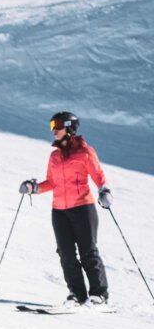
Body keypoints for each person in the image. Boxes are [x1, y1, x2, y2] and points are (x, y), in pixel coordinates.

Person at [19, 111, 112, 307]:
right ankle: (77, 294)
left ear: (69, 128)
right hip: (59, 212)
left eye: (58, 126)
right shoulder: (54, 156)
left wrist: (104, 191)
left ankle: (99, 295)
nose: (54, 130)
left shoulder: (85, 153)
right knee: (66, 253)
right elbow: (51, 183)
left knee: (88, 251)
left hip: (82, 208)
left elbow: (99, 176)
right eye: (52, 126)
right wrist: (33, 188)